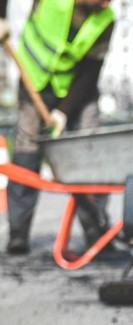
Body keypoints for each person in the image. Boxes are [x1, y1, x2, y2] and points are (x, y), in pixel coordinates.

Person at [0, 0, 114, 255]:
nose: (107, 2)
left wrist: (63, 113)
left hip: (78, 93)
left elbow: (90, 72)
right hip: (35, 83)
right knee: (25, 158)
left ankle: (97, 234)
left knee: (89, 158)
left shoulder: (105, 20)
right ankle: (18, 235)